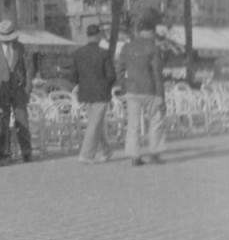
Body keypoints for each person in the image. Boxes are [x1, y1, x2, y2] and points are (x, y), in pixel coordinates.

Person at [0, 19, 35, 162]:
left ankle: (27, 152)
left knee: (22, 121)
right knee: (3, 121)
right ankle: (5, 153)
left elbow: (29, 70)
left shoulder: (21, 48)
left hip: (18, 90)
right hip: (0, 91)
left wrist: (28, 89)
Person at [117, 18, 166, 166]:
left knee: (133, 124)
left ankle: (134, 156)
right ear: (150, 32)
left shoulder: (126, 47)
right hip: (150, 90)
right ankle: (155, 153)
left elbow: (119, 70)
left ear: (138, 31)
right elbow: (157, 73)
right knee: (156, 121)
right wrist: (161, 96)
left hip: (132, 91)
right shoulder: (154, 48)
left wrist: (124, 86)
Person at [70, 24, 117, 164]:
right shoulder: (104, 53)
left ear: (87, 35)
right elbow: (111, 75)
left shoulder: (78, 53)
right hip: (101, 93)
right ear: (98, 36)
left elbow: (73, 76)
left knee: (94, 123)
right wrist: (106, 86)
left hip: (85, 93)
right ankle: (86, 155)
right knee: (95, 124)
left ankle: (105, 151)